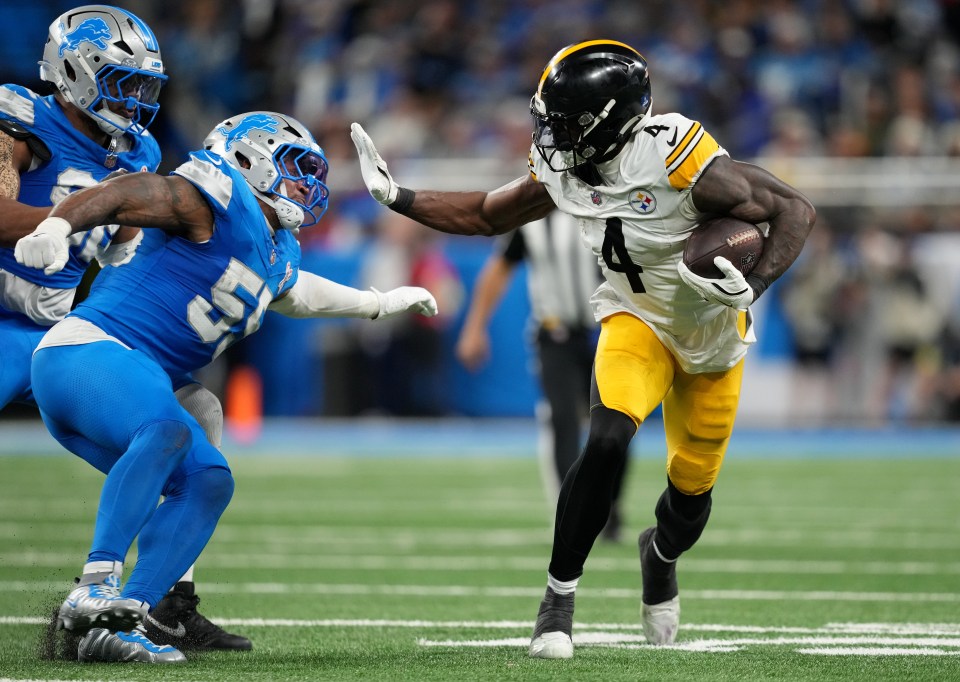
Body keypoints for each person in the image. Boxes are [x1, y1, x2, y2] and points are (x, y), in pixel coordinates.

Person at [350, 39, 816, 658]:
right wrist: (399, 198)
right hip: (635, 319)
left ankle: (659, 555)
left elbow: (795, 210)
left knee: (689, 502)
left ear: (612, 122)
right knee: (603, 440)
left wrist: (750, 288)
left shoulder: (677, 159)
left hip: (711, 339)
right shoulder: (565, 169)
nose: (552, 135)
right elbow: (490, 214)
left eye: (566, 123)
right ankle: (557, 603)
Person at [14, 109, 438, 664]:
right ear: (247, 159)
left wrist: (377, 303)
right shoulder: (213, 196)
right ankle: (94, 586)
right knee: (167, 427)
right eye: (293, 167)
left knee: (209, 480)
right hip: (88, 353)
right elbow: (130, 192)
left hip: (137, 379)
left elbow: (297, 292)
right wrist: (56, 224)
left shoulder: (277, 248)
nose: (306, 185)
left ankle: (127, 618)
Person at [0, 5, 251, 655]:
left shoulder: (135, 150)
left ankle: (162, 603)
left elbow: (130, 242)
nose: (136, 100)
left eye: (144, 85)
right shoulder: (21, 121)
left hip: (57, 330)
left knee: (200, 417)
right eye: (122, 80)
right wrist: (64, 223)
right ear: (77, 73)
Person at [455, 213, 629, 540]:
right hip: (554, 336)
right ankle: (575, 512)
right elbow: (500, 266)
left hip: (608, 331)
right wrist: (474, 327)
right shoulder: (532, 213)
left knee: (615, 425)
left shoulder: (605, 202)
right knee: (562, 420)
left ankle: (610, 504)